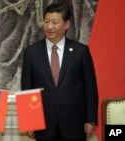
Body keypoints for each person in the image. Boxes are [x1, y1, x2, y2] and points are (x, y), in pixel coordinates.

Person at [21, 2, 98, 141]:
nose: (49, 26)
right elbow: (27, 89)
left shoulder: (81, 52)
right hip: (43, 125)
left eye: (55, 22)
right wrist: (29, 122)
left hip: (74, 124)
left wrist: (91, 120)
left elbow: (91, 90)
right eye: (46, 21)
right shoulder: (31, 53)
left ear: (67, 24)